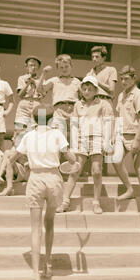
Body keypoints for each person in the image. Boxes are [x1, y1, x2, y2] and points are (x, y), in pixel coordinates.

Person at [8, 103, 76, 280]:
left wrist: (26, 163)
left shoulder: (28, 136)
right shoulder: (57, 134)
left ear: (33, 119)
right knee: (50, 223)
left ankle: (36, 275)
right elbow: (71, 158)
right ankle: (48, 264)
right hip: (54, 177)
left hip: (36, 178)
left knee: (35, 229)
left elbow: (12, 158)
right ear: (52, 119)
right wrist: (74, 161)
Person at [56, 76, 114, 214]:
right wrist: (74, 143)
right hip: (81, 140)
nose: (87, 91)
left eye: (90, 89)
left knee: (96, 171)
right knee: (75, 171)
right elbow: (75, 125)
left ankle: (96, 202)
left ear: (95, 90)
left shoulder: (104, 104)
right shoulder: (77, 105)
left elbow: (109, 122)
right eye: (84, 88)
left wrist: (109, 140)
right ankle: (65, 202)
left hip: (98, 139)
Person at [113, 66, 140, 215]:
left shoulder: (139, 95)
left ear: (134, 78)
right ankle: (129, 189)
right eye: (121, 79)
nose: (123, 81)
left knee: (139, 167)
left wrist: (137, 139)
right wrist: (115, 134)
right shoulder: (121, 95)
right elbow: (119, 116)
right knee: (116, 160)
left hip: (137, 134)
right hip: (122, 134)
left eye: (126, 79)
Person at [38, 54, 80, 140]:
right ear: (57, 69)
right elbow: (39, 89)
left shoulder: (77, 81)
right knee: (59, 138)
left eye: (66, 66)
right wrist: (44, 73)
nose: (64, 69)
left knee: (74, 139)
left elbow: (84, 97)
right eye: (61, 67)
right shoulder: (54, 80)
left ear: (71, 66)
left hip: (73, 110)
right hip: (58, 111)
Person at [14, 56, 49, 131]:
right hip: (24, 104)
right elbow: (20, 95)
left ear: (39, 67)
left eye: (35, 65)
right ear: (26, 67)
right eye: (31, 65)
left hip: (38, 103)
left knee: (40, 130)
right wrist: (27, 83)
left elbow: (43, 95)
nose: (33, 68)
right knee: (20, 130)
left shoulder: (42, 79)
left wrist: (35, 82)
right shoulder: (22, 78)